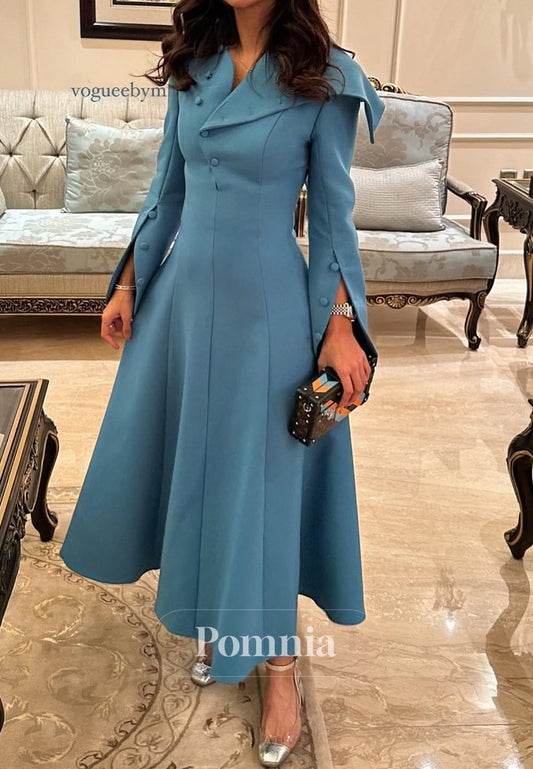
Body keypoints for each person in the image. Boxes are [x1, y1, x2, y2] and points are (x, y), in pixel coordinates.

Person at [59, 0, 385, 765]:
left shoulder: (326, 78)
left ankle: (280, 671)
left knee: (261, 488)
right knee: (197, 473)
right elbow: (165, 188)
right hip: (182, 304)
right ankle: (215, 618)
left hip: (267, 310)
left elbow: (332, 215)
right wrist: (129, 281)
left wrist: (340, 321)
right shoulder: (192, 62)